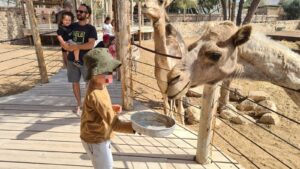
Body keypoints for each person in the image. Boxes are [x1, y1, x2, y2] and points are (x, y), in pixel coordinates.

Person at [81, 48, 135, 169]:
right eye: (105, 72)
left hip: (97, 133)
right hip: (96, 139)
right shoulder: (96, 94)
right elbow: (115, 124)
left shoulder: (98, 84)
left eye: (111, 71)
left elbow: (97, 108)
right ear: (94, 74)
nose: (110, 75)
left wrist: (110, 108)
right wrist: (136, 127)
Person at [62, 4, 97, 114]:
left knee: (89, 83)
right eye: (77, 11)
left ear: (88, 15)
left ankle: (88, 104)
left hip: (86, 61)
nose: (78, 13)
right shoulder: (72, 26)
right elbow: (64, 41)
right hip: (72, 59)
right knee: (75, 82)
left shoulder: (91, 28)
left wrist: (76, 46)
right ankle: (79, 104)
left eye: (81, 12)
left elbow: (91, 44)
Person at [55, 1, 73, 68]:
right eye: (71, 7)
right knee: (67, 50)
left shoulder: (59, 13)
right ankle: (68, 64)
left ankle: (65, 64)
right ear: (68, 6)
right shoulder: (68, 13)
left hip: (62, 33)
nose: (71, 8)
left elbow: (57, 22)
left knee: (64, 51)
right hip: (64, 33)